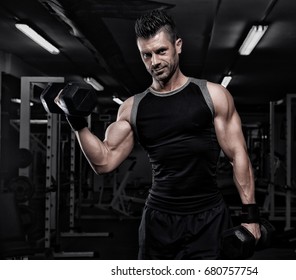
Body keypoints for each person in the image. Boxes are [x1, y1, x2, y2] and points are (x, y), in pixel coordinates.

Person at [61, 9, 260, 259]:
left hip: (209, 217)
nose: (154, 62)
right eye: (146, 55)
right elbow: (104, 161)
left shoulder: (213, 96)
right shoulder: (133, 107)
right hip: (159, 220)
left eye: (161, 51)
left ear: (178, 46)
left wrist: (250, 217)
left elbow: (238, 155)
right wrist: (77, 121)